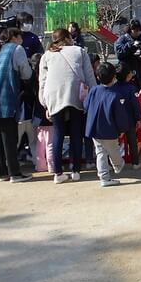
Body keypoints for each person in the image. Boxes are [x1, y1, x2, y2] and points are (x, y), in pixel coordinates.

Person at [39, 28, 97, 184]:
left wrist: (45, 103)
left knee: (58, 134)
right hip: (76, 94)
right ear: (67, 37)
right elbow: (89, 76)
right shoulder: (79, 51)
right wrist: (94, 95)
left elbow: (42, 81)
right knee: (76, 134)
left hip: (54, 96)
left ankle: (58, 173)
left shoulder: (47, 55)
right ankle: (76, 170)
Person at [0, 28, 33, 183]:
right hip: (6, 99)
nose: (22, 39)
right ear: (14, 37)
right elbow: (26, 73)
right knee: (9, 139)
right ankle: (15, 173)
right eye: (20, 36)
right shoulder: (17, 49)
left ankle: (2, 173)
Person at [84, 62, 130, 187]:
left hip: (94, 128)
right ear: (114, 76)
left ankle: (104, 177)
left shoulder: (93, 90)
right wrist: (122, 129)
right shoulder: (115, 95)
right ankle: (118, 166)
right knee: (113, 151)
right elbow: (120, 116)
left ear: (98, 77)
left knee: (100, 153)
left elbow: (86, 106)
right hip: (109, 129)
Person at [116, 63, 141, 170]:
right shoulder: (131, 88)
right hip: (129, 120)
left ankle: (115, 162)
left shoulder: (113, 88)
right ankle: (135, 163)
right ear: (128, 75)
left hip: (117, 120)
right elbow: (135, 105)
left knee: (115, 142)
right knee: (132, 141)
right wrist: (138, 119)